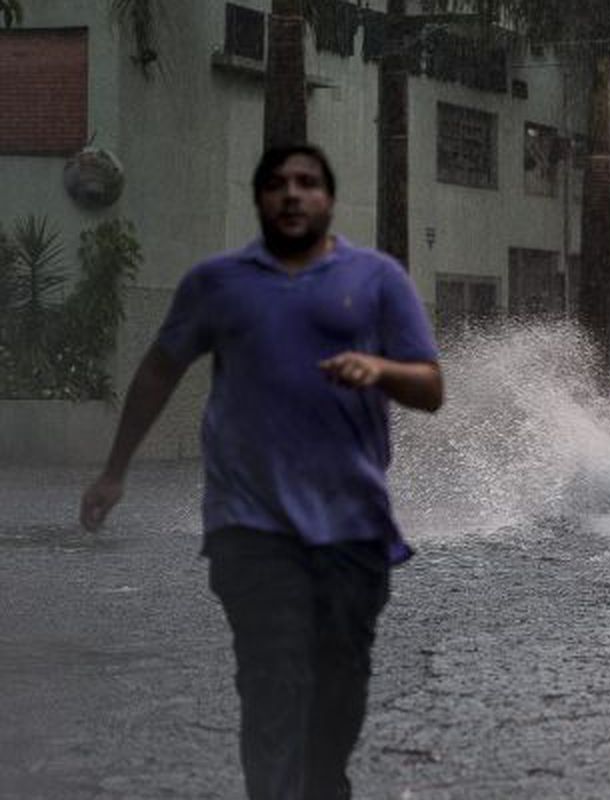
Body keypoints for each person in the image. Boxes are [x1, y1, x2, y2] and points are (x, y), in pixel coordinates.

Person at [78, 144, 443, 799]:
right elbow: (161, 368)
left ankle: (325, 783)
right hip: (250, 526)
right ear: (259, 200)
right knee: (272, 684)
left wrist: (380, 370)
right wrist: (115, 471)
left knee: (339, 690)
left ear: (329, 199)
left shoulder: (378, 278)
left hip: (352, 528)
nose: (292, 194)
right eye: (277, 184)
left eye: (307, 183)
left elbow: (430, 388)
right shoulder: (217, 284)